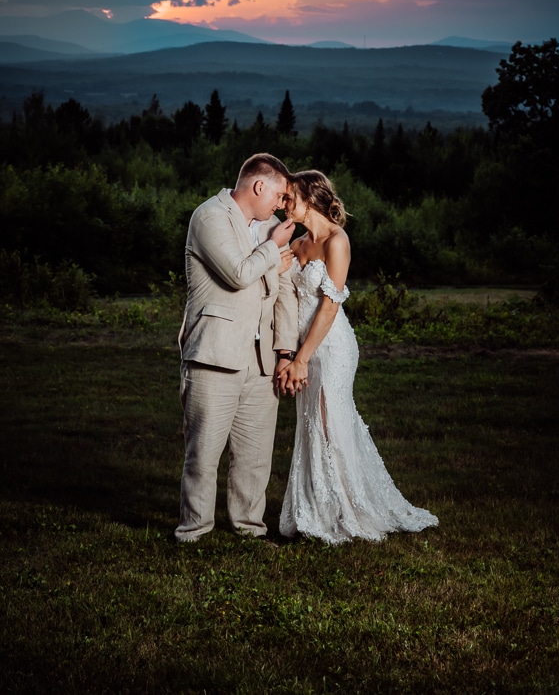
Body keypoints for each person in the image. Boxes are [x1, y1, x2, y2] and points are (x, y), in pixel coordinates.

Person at [277, 170, 439, 545]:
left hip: (331, 348)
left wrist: (302, 358)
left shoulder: (338, 240)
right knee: (310, 423)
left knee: (330, 421)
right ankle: (313, 508)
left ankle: (347, 509)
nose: (285, 204)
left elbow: (331, 307)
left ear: (311, 198)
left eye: (290, 197)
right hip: (303, 348)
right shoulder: (297, 245)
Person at [175, 153, 299, 543]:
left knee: (255, 457)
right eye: (279, 195)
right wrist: (274, 247)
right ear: (258, 186)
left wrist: (285, 352)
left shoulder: (272, 227)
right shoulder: (209, 217)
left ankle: (249, 528)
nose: (281, 205)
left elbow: (287, 295)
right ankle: (193, 531)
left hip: (262, 361)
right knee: (204, 454)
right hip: (214, 353)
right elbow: (237, 274)